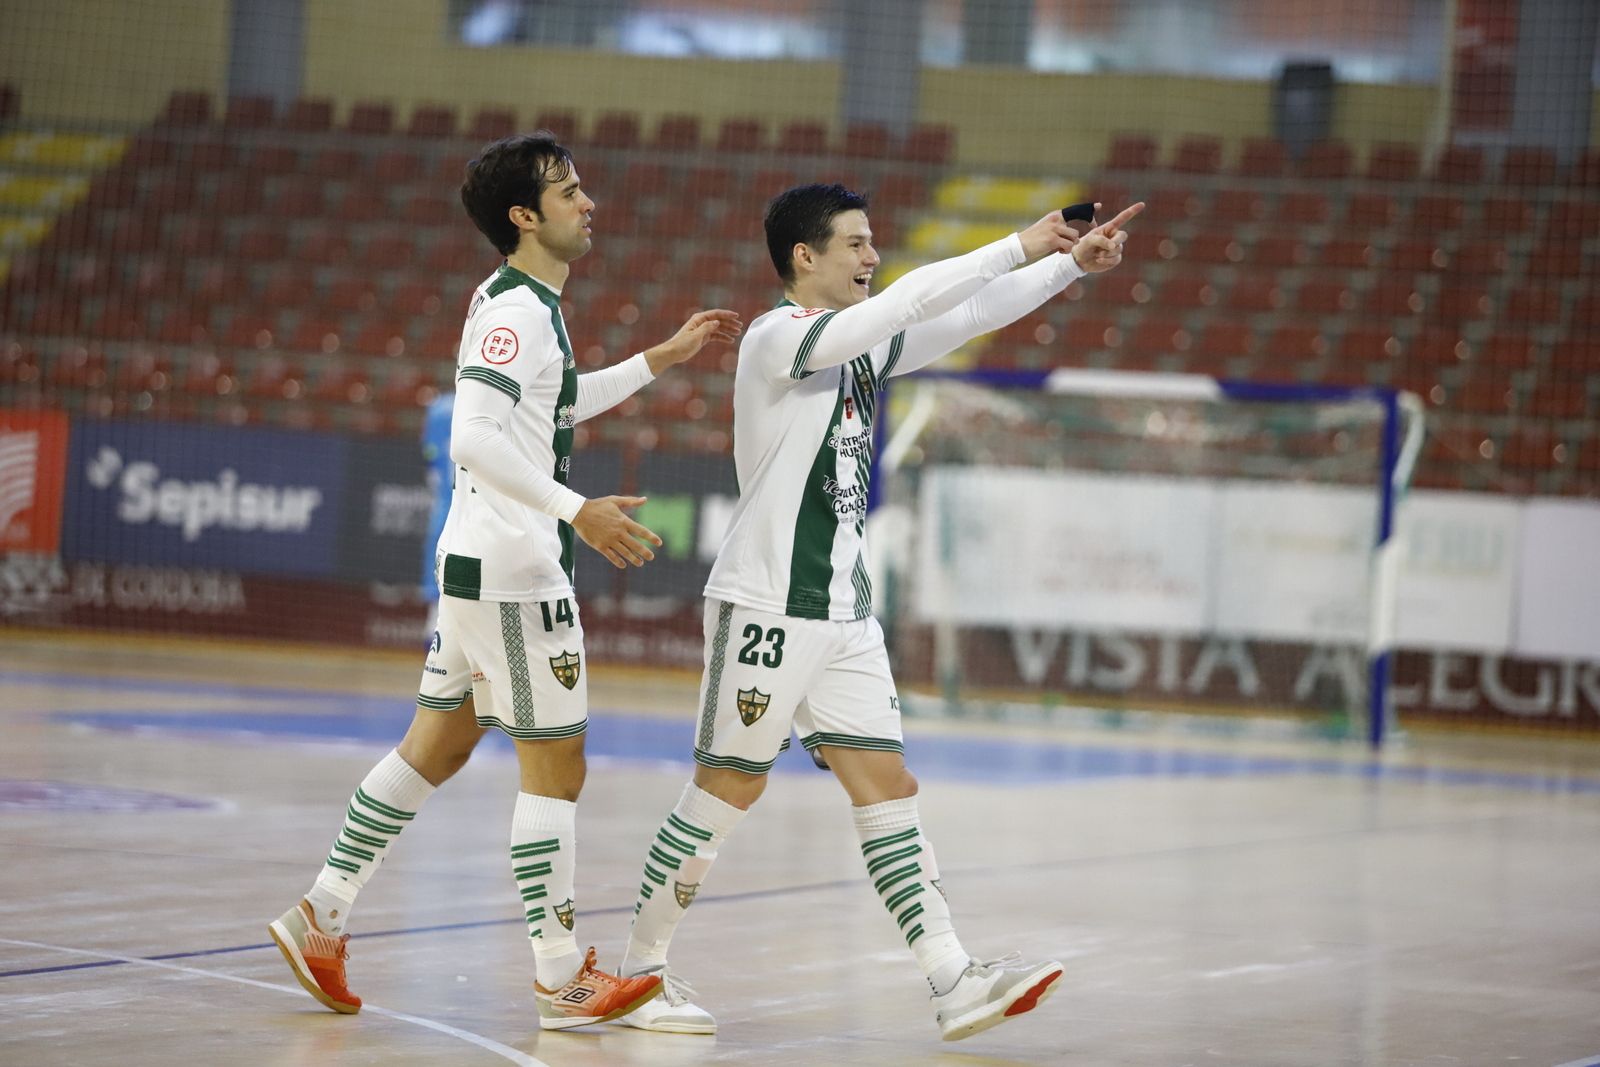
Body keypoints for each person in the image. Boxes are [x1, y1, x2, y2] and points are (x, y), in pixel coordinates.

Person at [613, 183, 1141, 1041]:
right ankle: (638, 972)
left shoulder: (862, 350)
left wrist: (1065, 268)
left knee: (887, 786)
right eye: (854, 244)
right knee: (724, 790)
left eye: (873, 243)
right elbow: (909, 302)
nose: (870, 256)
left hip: (846, 613)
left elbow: (962, 318)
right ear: (803, 259)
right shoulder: (774, 339)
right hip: (769, 605)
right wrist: (1017, 242)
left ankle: (953, 979)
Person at [267, 131, 741, 1031]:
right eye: (568, 191)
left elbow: (546, 407)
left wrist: (660, 359)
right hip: (517, 573)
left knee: (434, 749)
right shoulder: (516, 312)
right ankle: (561, 977)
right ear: (524, 216)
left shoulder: (529, 304)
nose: (587, 201)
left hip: (483, 565)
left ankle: (320, 912)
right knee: (557, 768)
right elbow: (474, 437)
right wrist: (577, 510)